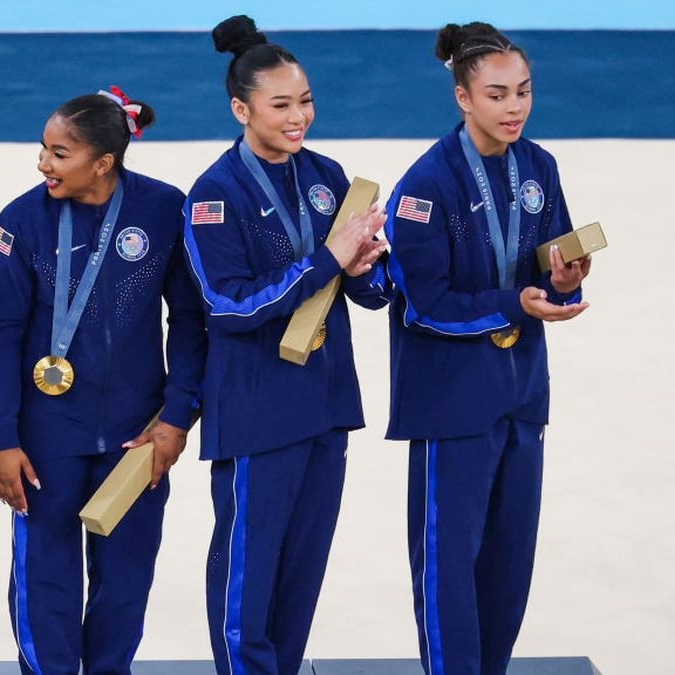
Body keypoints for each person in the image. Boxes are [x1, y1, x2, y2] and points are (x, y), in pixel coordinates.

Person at [182, 16, 390, 674]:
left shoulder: (328, 176)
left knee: (301, 573)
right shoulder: (214, 196)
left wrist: (370, 267)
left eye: (305, 100)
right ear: (241, 109)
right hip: (257, 411)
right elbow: (229, 304)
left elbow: (369, 293)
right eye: (281, 105)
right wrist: (329, 257)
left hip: (326, 406)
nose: (299, 116)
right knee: (249, 577)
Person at [383, 22, 591, 675]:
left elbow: (548, 255)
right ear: (463, 98)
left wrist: (561, 277)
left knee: (509, 562)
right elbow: (425, 304)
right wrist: (514, 303)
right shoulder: (426, 185)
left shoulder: (539, 165)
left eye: (524, 92)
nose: (515, 108)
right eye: (497, 95)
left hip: (522, 392)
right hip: (452, 403)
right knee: (450, 565)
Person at [0, 87, 206, 674]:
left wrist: (177, 417)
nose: (43, 164)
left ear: (102, 162)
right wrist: (0, 436)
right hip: (45, 439)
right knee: (44, 582)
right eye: (43, 150)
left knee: (124, 584)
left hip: (137, 436)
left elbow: (190, 320)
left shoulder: (162, 211)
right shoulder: (21, 221)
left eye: (59, 153)